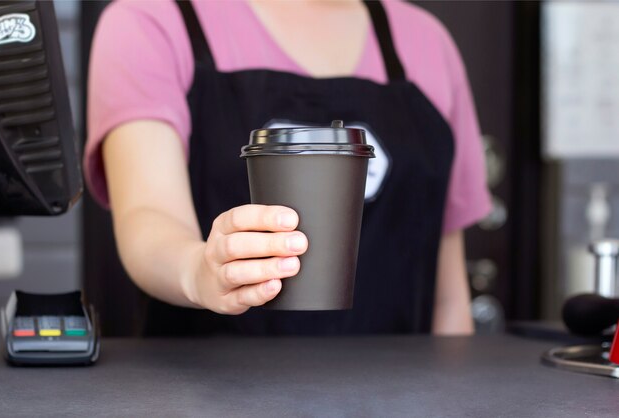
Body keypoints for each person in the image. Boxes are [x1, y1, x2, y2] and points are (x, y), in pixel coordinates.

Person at [84, 0, 491, 336]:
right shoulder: (150, 21)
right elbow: (149, 215)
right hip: (208, 399)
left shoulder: (426, 43)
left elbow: (448, 299)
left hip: (400, 399)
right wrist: (198, 270)